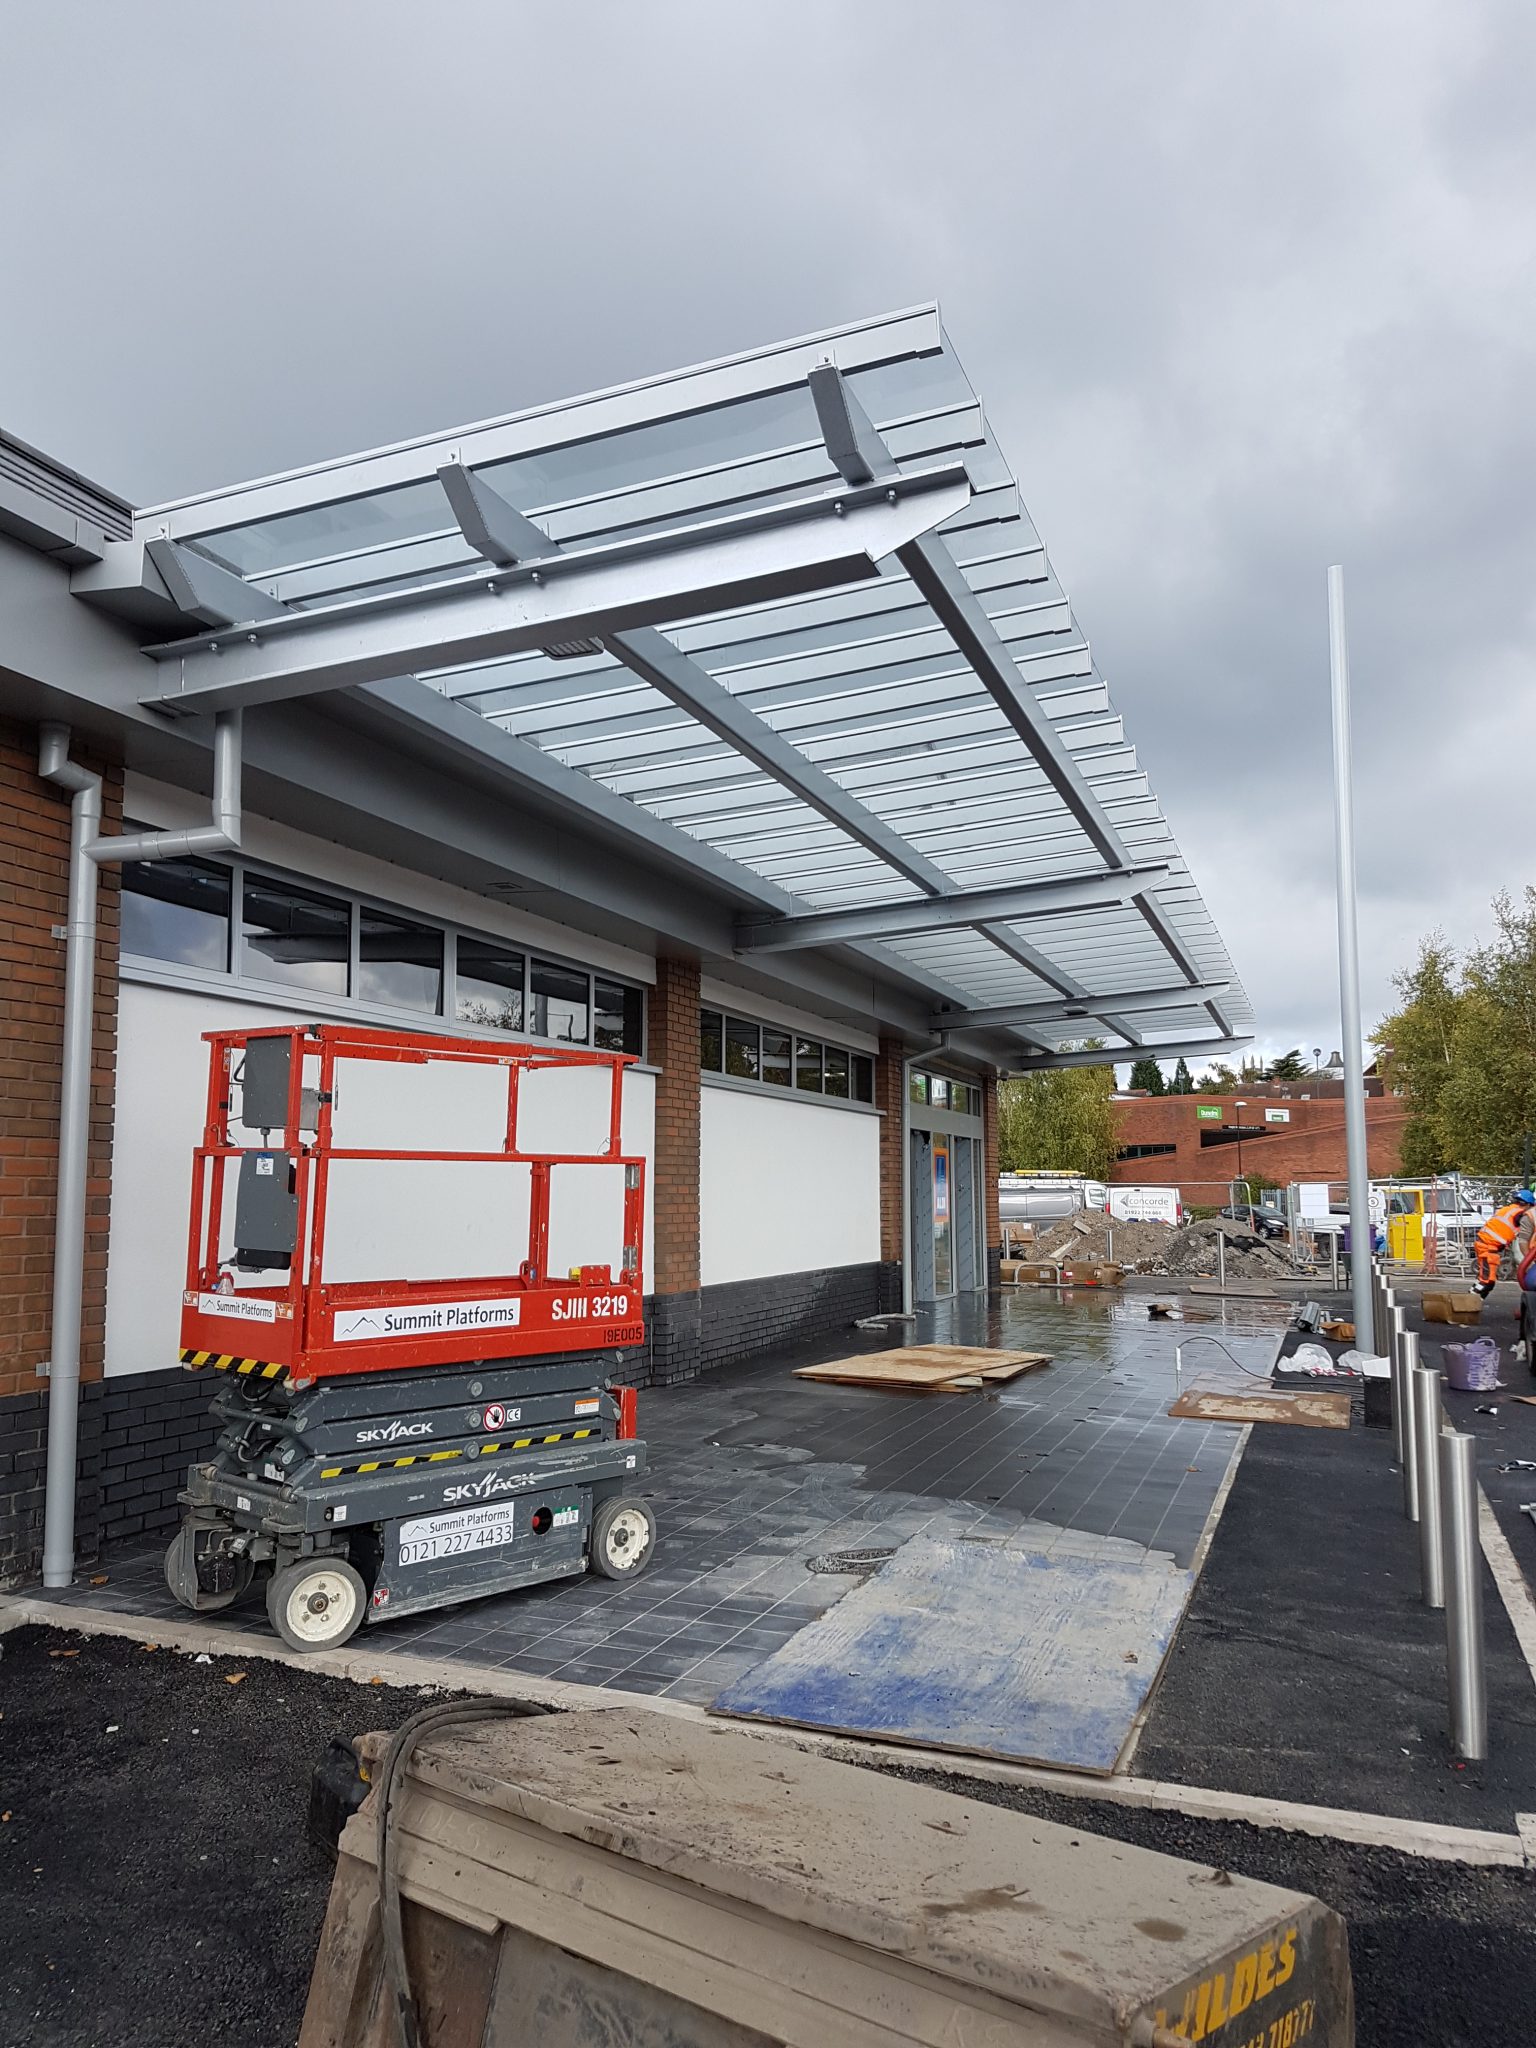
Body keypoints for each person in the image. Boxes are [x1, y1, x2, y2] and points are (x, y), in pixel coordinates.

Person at [1472, 1190, 1536, 1297]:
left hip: (1485, 1244)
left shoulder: (1507, 1209)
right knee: (1488, 1282)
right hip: (1488, 1248)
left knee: (1485, 1278)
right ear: (1528, 1204)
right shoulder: (1520, 1214)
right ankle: (1470, 1299)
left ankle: (1472, 1298)